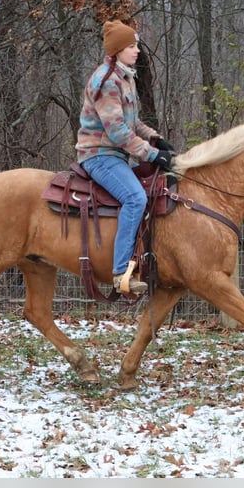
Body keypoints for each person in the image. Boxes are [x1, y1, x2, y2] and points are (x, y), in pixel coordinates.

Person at [76, 20, 176, 295]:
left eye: (136, 44)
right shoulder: (106, 82)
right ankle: (121, 273)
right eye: (132, 46)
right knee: (135, 198)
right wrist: (152, 154)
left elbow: (132, 123)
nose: (138, 50)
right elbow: (118, 132)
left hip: (118, 155)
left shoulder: (125, 77)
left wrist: (155, 138)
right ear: (117, 50)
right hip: (99, 155)